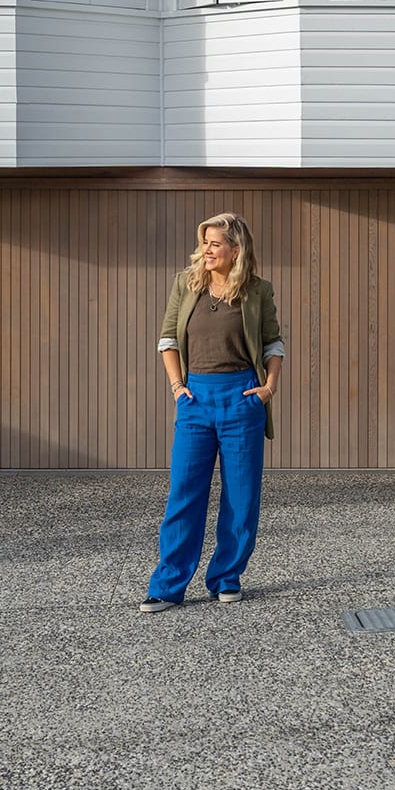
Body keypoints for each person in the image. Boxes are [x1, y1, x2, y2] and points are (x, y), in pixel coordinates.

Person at [141, 212, 284, 611]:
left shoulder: (258, 291)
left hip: (242, 398)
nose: (206, 250)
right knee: (184, 494)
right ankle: (168, 585)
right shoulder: (186, 285)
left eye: (215, 243)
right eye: (204, 242)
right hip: (196, 399)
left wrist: (268, 388)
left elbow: (274, 344)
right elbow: (168, 339)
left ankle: (226, 577)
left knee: (241, 496)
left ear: (236, 250)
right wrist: (177, 388)